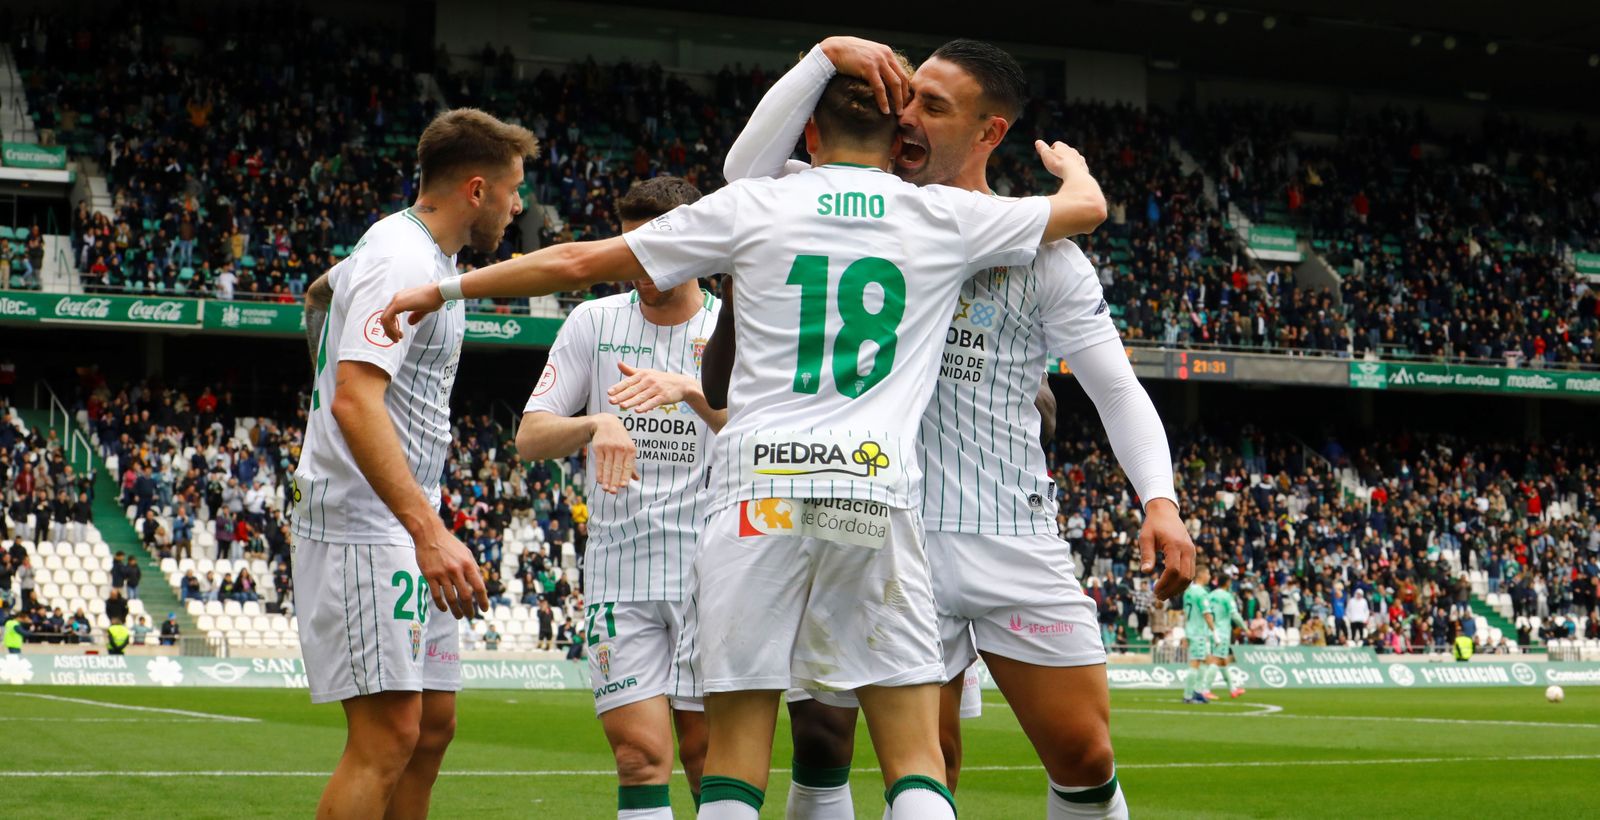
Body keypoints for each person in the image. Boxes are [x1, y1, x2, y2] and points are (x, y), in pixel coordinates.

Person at [382, 63, 1104, 820]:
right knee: (916, 761)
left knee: (731, 763)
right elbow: (1083, 209)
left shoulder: (754, 205)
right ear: (899, 139)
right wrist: (1073, 169)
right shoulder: (946, 220)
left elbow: (576, 260)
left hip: (757, 501)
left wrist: (445, 288)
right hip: (872, 497)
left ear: (812, 132)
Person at [719, 36, 1194, 818]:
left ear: (990, 133)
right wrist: (823, 55)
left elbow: (1115, 388)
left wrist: (1160, 500)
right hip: (889, 525)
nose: (906, 117)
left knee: (1085, 753)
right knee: (918, 760)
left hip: (1011, 531)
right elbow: (745, 173)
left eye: (933, 106)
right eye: (907, 97)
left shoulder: (1047, 254)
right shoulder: (841, 208)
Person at [290, 107, 530, 819]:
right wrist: (429, 532)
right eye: (514, 191)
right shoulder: (400, 254)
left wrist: (323, 366)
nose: (520, 207)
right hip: (368, 523)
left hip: (402, 516)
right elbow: (357, 404)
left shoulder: (425, 259)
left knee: (430, 729)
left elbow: (318, 293)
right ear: (477, 189)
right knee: (390, 733)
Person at [516, 176, 722, 818]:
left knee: (706, 752)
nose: (641, 269)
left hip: (713, 570)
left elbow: (763, 433)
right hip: (620, 571)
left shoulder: (733, 327)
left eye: (655, 251)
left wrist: (691, 390)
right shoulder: (593, 322)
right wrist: (594, 422)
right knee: (638, 757)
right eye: (630, 252)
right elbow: (531, 436)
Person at [1182, 566, 1217, 704]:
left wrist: (1186, 633)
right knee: (1195, 663)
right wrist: (1215, 632)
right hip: (1199, 633)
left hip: (1192, 631)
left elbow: (1186, 614)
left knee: (1205, 660)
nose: (1209, 576)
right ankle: (1188, 695)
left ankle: (1197, 691)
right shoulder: (1201, 593)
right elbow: (1207, 615)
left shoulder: (1188, 592)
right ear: (1201, 575)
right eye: (1208, 573)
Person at [1207, 578, 1247, 699]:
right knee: (1217, 660)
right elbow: (1235, 615)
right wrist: (1245, 628)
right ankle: (1205, 689)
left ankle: (1233, 689)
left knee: (1223, 661)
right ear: (1227, 583)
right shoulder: (1227, 596)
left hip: (1212, 630)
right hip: (1222, 632)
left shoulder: (1210, 595)